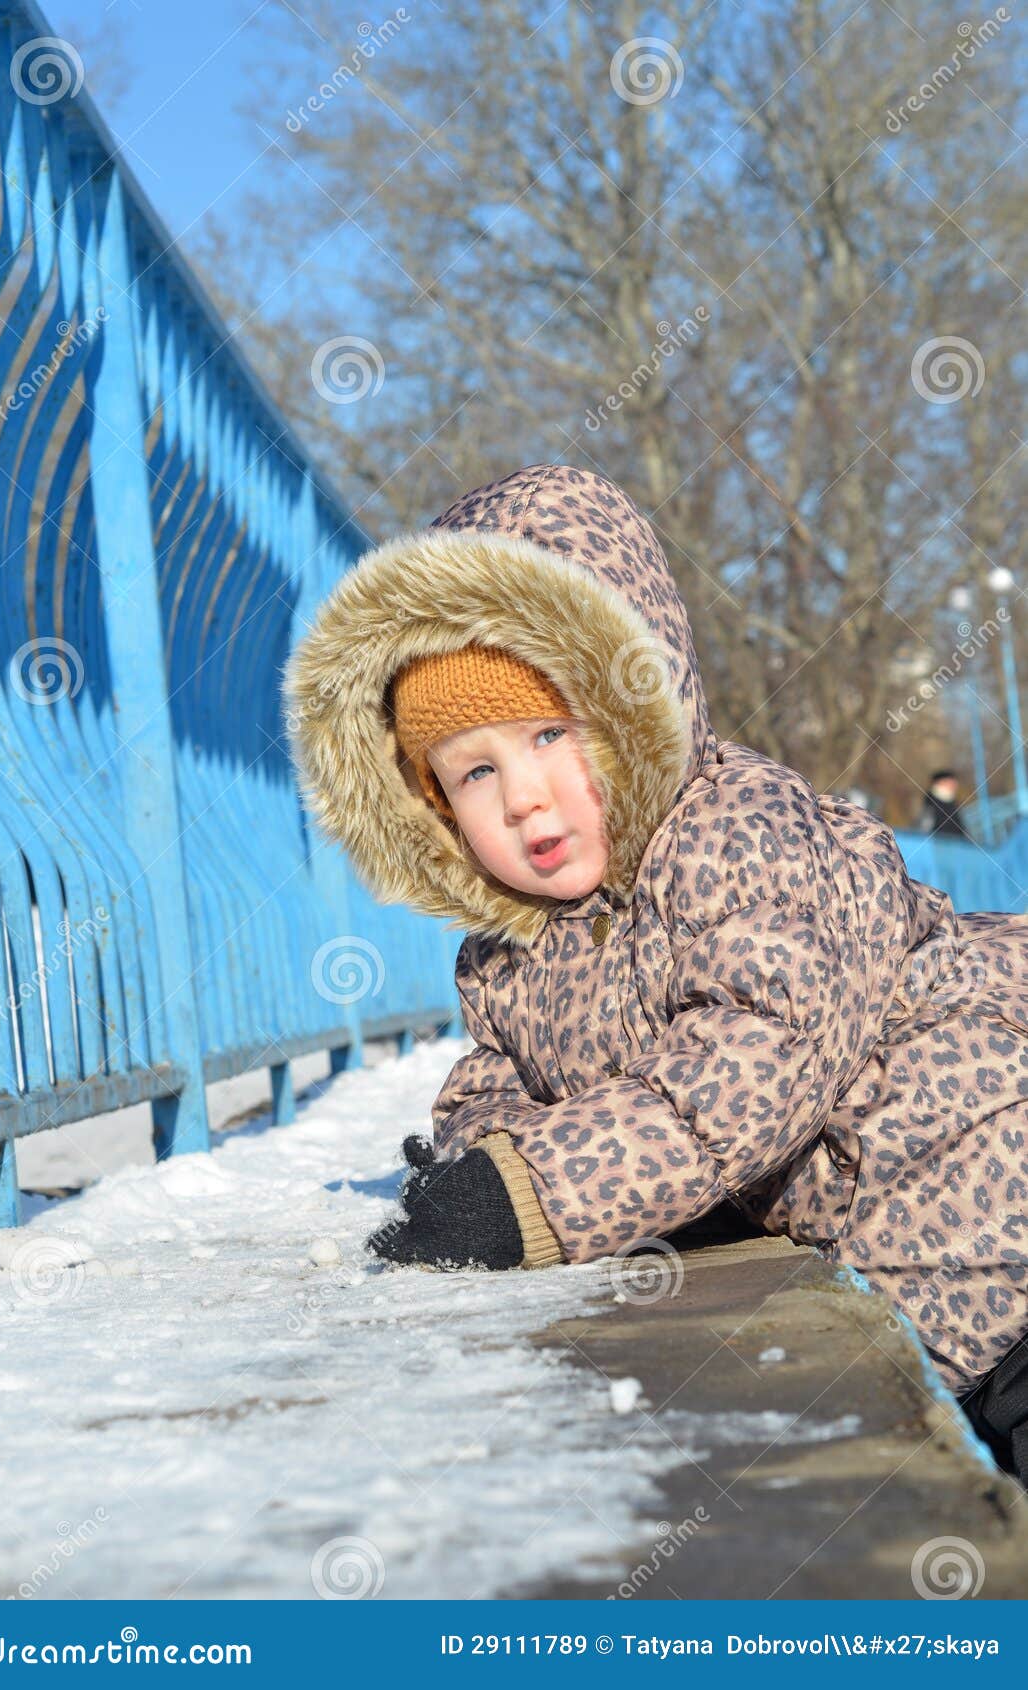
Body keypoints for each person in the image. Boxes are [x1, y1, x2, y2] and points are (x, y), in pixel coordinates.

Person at [284, 463, 1028, 1485]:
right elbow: (497, 1085)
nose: (524, 798)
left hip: (991, 1211)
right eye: (475, 771)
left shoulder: (737, 831)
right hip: (908, 1284)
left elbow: (753, 1059)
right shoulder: (510, 955)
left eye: (552, 734)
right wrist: (482, 1161)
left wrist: (536, 1192)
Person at [916, 769, 971, 839]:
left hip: (955, 843)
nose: (954, 786)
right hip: (937, 843)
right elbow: (923, 831)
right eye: (949, 782)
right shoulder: (930, 804)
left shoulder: (954, 804)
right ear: (939, 783)